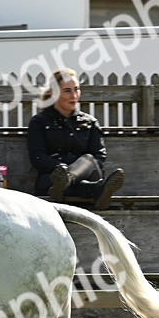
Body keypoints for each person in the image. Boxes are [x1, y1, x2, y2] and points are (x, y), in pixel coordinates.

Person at [27, 67, 125, 210]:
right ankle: (96, 188)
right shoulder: (40, 121)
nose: (74, 95)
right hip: (52, 181)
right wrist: (59, 168)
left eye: (77, 89)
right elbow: (37, 156)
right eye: (67, 90)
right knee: (62, 182)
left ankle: (68, 180)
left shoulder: (89, 122)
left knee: (89, 159)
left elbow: (99, 156)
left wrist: (74, 172)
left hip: (86, 175)